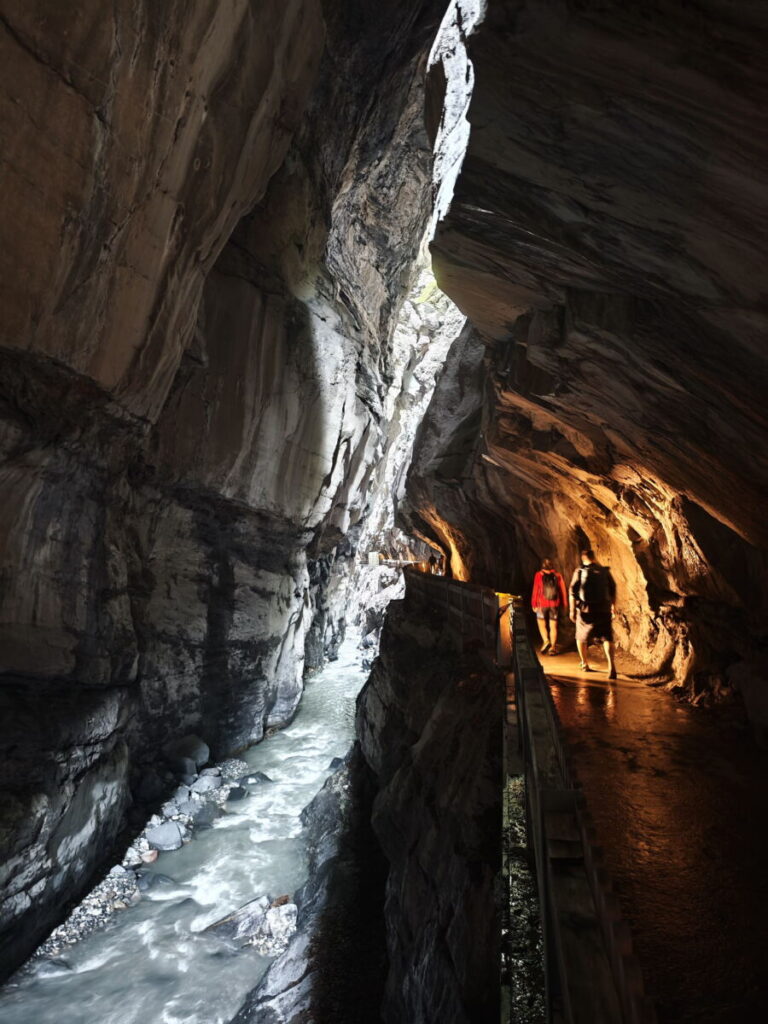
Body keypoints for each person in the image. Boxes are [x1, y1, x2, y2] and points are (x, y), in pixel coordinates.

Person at [569, 549, 617, 678]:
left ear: (583, 558)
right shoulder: (604, 571)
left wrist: (572, 610)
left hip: (586, 610)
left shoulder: (579, 571)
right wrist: (613, 606)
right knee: (607, 637)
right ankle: (611, 667)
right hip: (603, 609)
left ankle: (584, 663)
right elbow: (613, 589)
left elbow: (572, 592)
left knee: (581, 637)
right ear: (594, 557)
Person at [531, 557, 568, 655]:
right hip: (554, 604)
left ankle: (546, 640)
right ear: (552, 565)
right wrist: (564, 604)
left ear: (542, 565)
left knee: (541, 624)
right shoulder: (558, 575)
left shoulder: (538, 575)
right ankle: (552, 648)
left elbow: (536, 590)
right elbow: (563, 590)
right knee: (553, 626)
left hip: (541, 604)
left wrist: (533, 603)